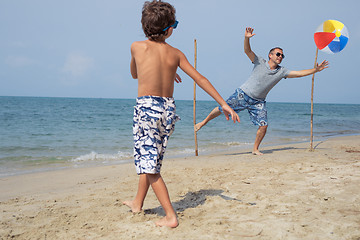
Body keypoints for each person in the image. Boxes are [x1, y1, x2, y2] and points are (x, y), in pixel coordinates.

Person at [122, 0, 239, 228]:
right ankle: (137, 202)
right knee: (152, 158)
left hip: (147, 108)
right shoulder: (175, 54)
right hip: (167, 109)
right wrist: (223, 103)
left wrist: (153, 68)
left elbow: (134, 73)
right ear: (168, 29)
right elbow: (200, 79)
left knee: (149, 165)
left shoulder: (136, 46)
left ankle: (170, 216)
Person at [195, 27, 329, 155]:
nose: (280, 57)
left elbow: (299, 73)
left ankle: (255, 149)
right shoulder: (259, 61)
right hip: (243, 94)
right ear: (270, 55)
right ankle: (203, 122)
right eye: (278, 54)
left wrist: (315, 70)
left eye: (282, 55)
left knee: (263, 126)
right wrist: (247, 38)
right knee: (221, 108)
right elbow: (247, 51)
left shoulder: (282, 71)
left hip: (258, 102)